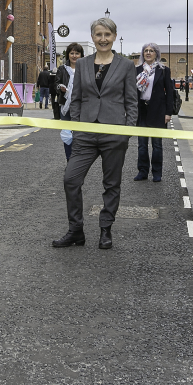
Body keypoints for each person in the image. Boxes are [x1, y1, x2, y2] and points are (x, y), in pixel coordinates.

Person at [53, 18, 137, 250]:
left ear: (114, 36)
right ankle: (76, 231)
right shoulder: (82, 64)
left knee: (111, 184)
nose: (103, 39)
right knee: (71, 179)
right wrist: (77, 127)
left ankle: (105, 229)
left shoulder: (126, 65)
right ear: (92, 37)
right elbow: (76, 98)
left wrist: (126, 132)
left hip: (114, 134)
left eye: (107, 34)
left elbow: (131, 101)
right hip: (86, 135)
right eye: (98, 34)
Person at [134, 43, 174, 182]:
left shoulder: (163, 70)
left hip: (158, 111)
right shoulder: (137, 70)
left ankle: (157, 173)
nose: (148, 53)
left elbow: (170, 93)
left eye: (151, 51)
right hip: (142, 110)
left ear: (156, 53)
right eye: (146, 50)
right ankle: (142, 171)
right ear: (143, 53)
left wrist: (168, 113)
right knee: (142, 144)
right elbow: (132, 92)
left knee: (157, 145)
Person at [56, 43, 84, 160]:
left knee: (80, 135)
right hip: (65, 106)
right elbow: (56, 84)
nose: (74, 56)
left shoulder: (85, 69)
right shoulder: (62, 69)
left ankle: (79, 161)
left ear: (81, 55)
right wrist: (60, 88)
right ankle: (69, 160)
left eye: (77, 53)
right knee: (67, 135)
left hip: (82, 106)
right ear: (68, 54)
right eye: (72, 53)